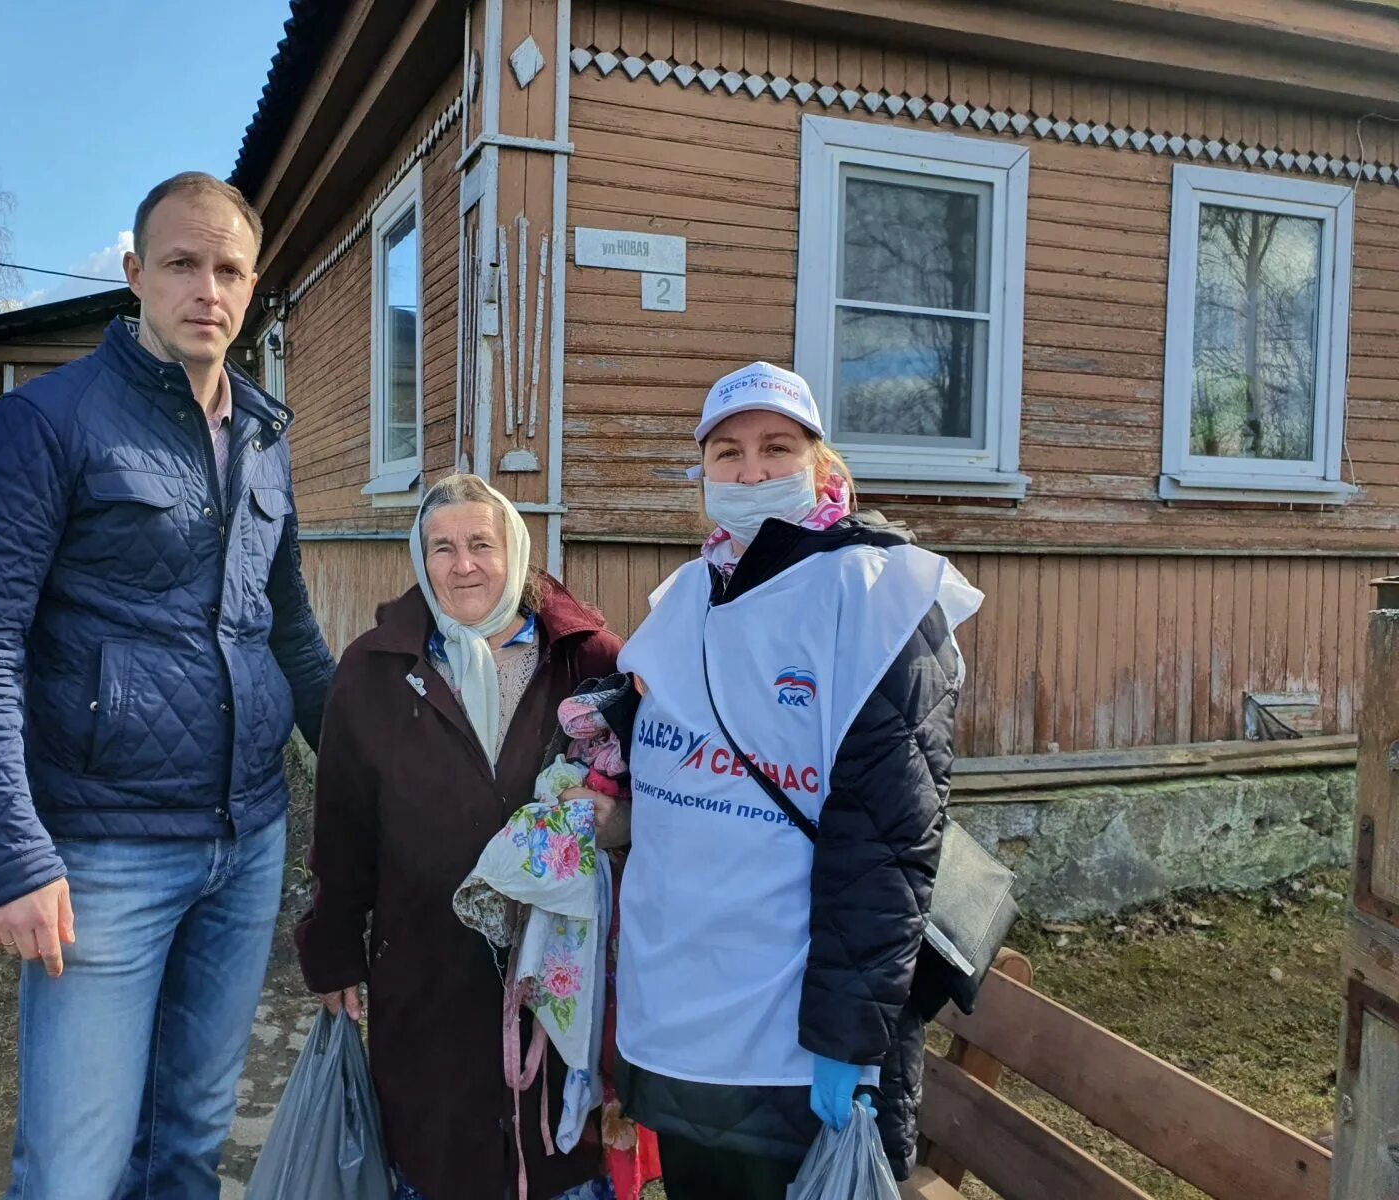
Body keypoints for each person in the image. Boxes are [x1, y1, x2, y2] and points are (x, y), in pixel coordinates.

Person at [0, 171, 334, 1199]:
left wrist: (386, 772)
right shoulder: (49, 424)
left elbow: (289, 634)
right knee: (74, 1170)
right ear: (135, 274)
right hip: (102, 851)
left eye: (229, 268)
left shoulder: (265, 443)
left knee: (190, 1141)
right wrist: (11, 853)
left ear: (251, 286)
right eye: (183, 264)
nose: (207, 288)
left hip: (246, 844)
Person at [607, 361, 982, 1198]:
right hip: (686, 1024)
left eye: (777, 448)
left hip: (798, 1045)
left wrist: (850, 1039)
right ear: (702, 474)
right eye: (727, 453)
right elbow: (675, 725)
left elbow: (888, 840)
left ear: (824, 466)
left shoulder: (877, 593)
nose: (751, 472)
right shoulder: (691, 594)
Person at [295, 473, 625, 1200]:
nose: (463, 564)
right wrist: (334, 951)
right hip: (423, 966)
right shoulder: (375, 672)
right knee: (437, 1149)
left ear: (515, 551)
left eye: (481, 543)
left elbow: (643, 786)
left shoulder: (586, 659)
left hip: (556, 976)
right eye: (441, 548)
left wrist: (621, 822)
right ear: (420, 559)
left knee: (557, 1160)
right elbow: (345, 825)